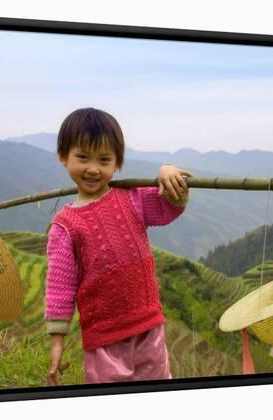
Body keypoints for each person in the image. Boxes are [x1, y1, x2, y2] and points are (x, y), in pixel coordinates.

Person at [44, 107, 193, 386]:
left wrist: (168, 172)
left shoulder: (132, 199)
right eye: (82, 157)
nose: (93, 168)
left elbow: (170, 206)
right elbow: (59, 289)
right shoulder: (65, 226)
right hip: (105, 338)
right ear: (64, 157)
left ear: (117, 164)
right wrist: (57, 342)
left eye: (104, 160)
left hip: (149, 326)